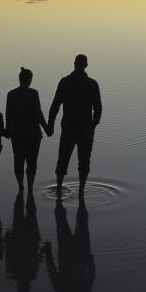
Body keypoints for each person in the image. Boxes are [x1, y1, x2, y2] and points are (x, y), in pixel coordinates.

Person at [48, 54, 102, 199]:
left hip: (68, 128)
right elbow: (98, 109)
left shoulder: (65, 82)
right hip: (85, 129)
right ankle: (81, 191)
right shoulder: (92, 84)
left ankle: (59, 189)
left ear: (74, 64)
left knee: (63, 159)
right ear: (86, 65)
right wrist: (93, 125)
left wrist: (50, 125)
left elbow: (54, 106)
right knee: (84, 162)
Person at [5, 67, 51, 192]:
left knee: (18, 161)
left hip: (17, 134)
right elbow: (39, 114)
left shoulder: (11, 94)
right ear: (30, 80)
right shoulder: (33, 93)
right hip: (33, 134)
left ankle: (21, 186)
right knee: (32, 162)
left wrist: (7, 130)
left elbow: (8, 115)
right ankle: (30, 187)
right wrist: (47, 129)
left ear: (19, 79)